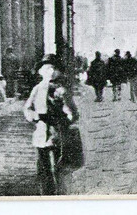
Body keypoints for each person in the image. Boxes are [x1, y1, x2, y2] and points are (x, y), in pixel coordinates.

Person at [23, 54, 82, 195]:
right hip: (42, 131)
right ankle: (47, 194)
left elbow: (72, 112)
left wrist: (65, 117)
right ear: (41, 71)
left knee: (59, 167)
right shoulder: (37, 89)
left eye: (53, 68)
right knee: (44, 167)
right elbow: (27, 107)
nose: (50, 71)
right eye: (47, 68)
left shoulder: (62, 90)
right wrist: (34, 117)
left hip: (57, 132)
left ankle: (60, 194)